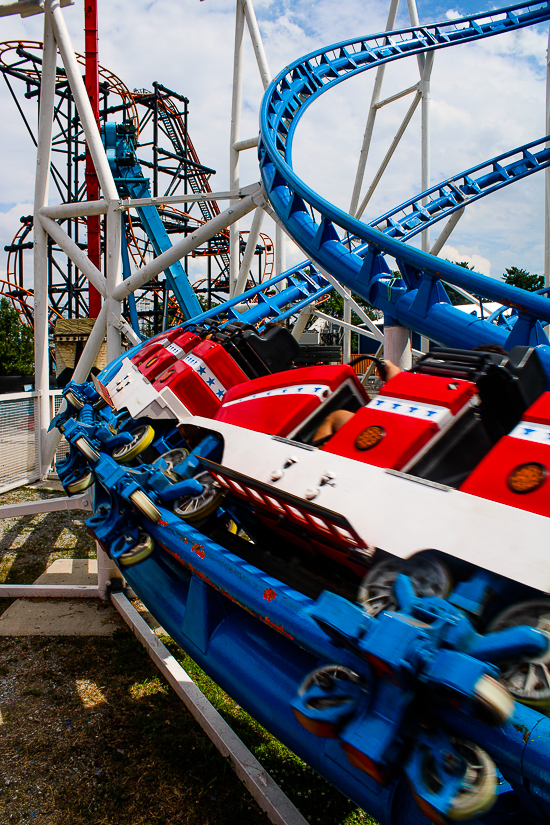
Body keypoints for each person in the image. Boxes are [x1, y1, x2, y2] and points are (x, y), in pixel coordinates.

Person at [312, 344, 507, 445]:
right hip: (433, 447)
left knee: (337, 416)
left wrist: (397, 381)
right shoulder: (503, 414)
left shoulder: (457, 392)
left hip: (408, 444)